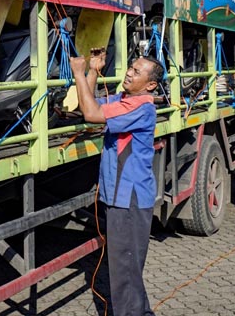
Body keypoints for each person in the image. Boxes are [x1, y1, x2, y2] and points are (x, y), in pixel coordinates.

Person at [70, 48, 162, 316]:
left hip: (129, 199)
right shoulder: (125, 99)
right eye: (130, 68)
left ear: (151, 84)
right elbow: (87, 103)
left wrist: (78, 72)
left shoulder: (141, 107)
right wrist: (91, 71)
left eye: (136, 72)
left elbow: (91, 114)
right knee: (128, 270)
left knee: (124, 271)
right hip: (122, 197)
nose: (129, 74)